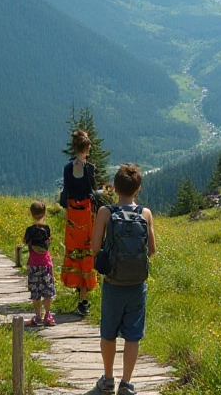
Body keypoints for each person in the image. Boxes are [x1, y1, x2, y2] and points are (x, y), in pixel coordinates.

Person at [86, 164, 155, 395]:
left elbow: (95, 247)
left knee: (109, 332)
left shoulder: (106, 212)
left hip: (113, 283)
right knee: (132, 335)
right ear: (138, 189)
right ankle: (126, 383)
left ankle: (107, 379)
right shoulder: (145, 213)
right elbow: (152, 250)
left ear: (115, 188)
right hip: (137, 285)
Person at [61, 130, 100, 317]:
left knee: (74, 253)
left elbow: (66, 193)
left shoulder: (68, 168)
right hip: (85, 216)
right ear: (86, 148)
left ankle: (79, 292)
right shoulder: (89, 169)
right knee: (86, 253)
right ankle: (84, 299)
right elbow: (92, 192)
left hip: (71, 215)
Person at [23, 200, 56, 327]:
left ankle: (38, 316)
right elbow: (48, 243)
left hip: (33, 263)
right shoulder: (47, 229)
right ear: (44, 213)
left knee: (35, 291)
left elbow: (26, 242)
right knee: (48, 290)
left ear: (31, 213)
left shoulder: (29, 230)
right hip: (46, 263)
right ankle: (48, 315)